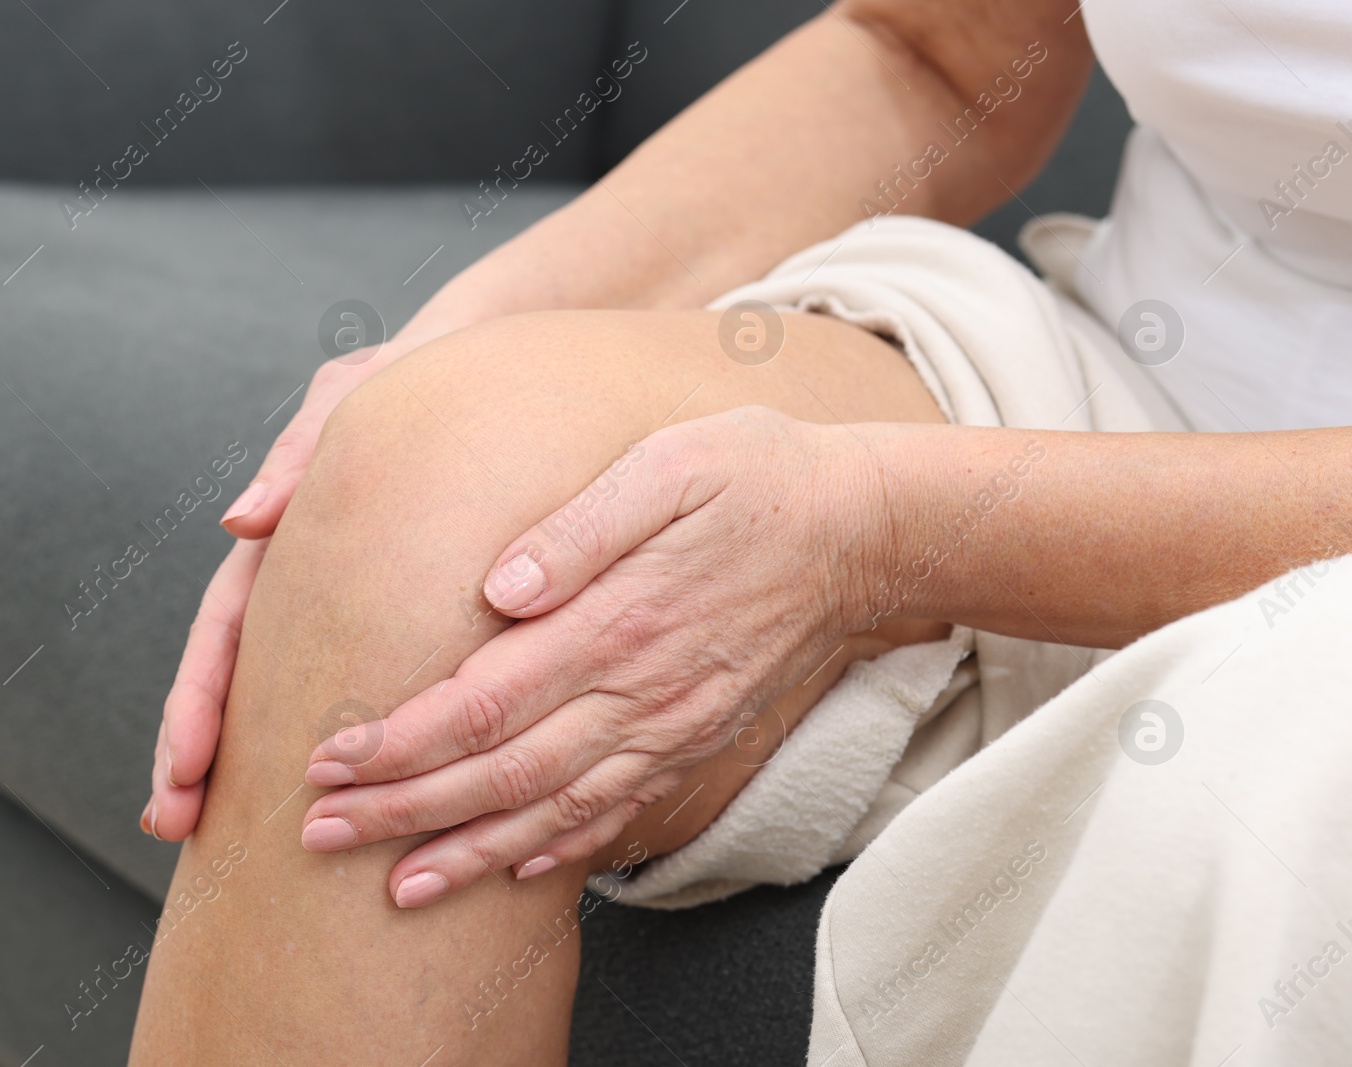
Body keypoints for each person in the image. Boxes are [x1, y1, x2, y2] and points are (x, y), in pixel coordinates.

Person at [127, 0, 1352, 1062]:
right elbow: (931, 51)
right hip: (1133, 385)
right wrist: (417, 377)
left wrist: (885, 532)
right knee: (439, 539)